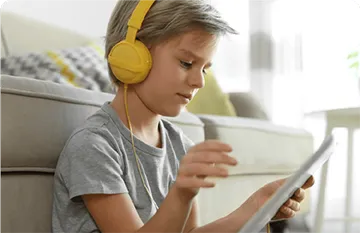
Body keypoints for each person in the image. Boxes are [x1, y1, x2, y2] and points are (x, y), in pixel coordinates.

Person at [51, 0, 315, 233]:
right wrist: (181, 194)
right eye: (187, 63)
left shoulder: (180, 146)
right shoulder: (94, 146)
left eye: (205, 69)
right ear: (132, 57)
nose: (199, 81)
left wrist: (255, 207)